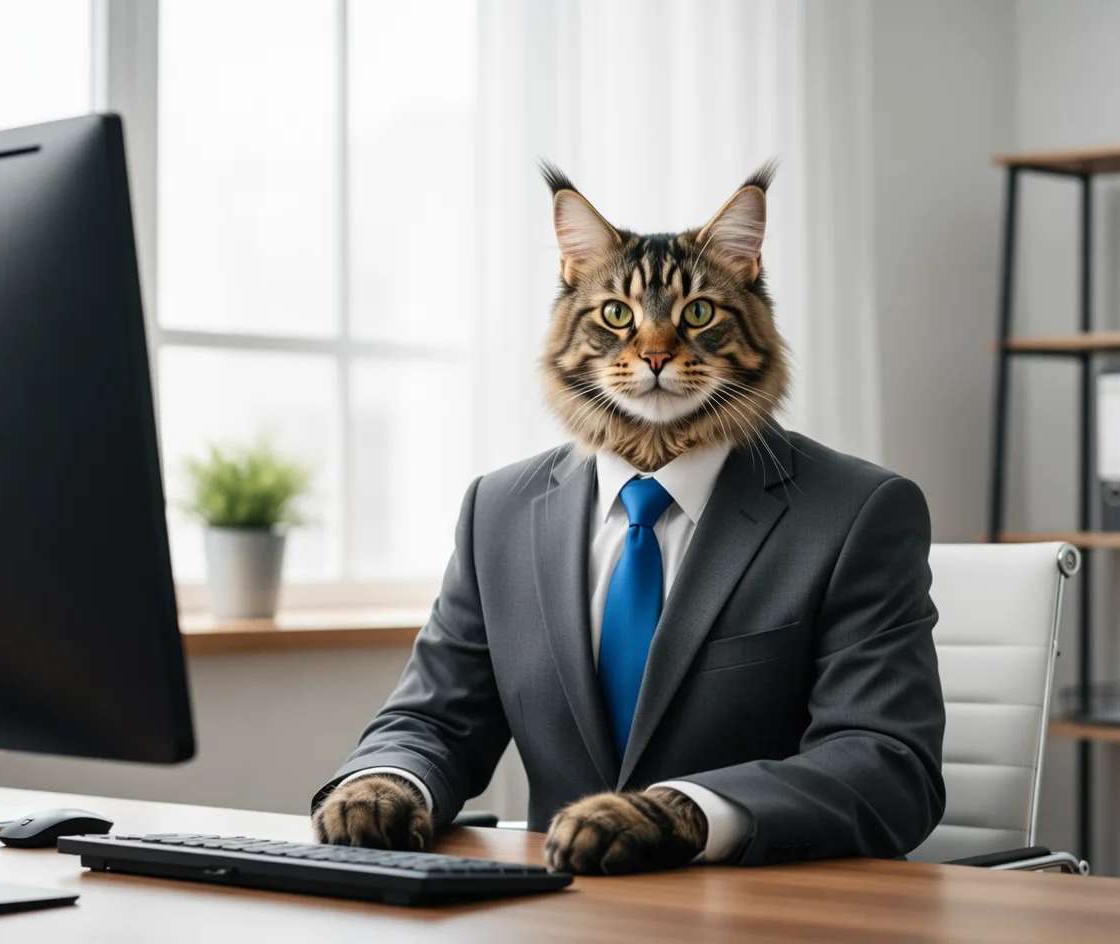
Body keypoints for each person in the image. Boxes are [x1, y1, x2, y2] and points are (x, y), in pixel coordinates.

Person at [312, 164, 944, 873]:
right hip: (554, 916)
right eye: (617, 317)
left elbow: (888, 765)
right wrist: (386, 782)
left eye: (697, 316)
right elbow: (433, 721)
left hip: (754, 911)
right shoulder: (498, 511)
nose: (654, 350)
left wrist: (685, 814)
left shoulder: (856, 513)